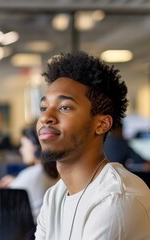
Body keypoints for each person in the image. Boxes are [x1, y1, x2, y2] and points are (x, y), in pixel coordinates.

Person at [35, 51, 150, 239]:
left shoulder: (115, 198)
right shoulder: (55, 195)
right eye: (43, 108)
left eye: (64, 107)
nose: (46, 117)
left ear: (101, 124)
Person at [0, 126, 59, 221]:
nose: (21, 150)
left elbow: (0, 202)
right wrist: (17, 180)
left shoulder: (32, 174)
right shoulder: (54, 171)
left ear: (36, 146)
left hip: (28, 233)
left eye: (23, 145)